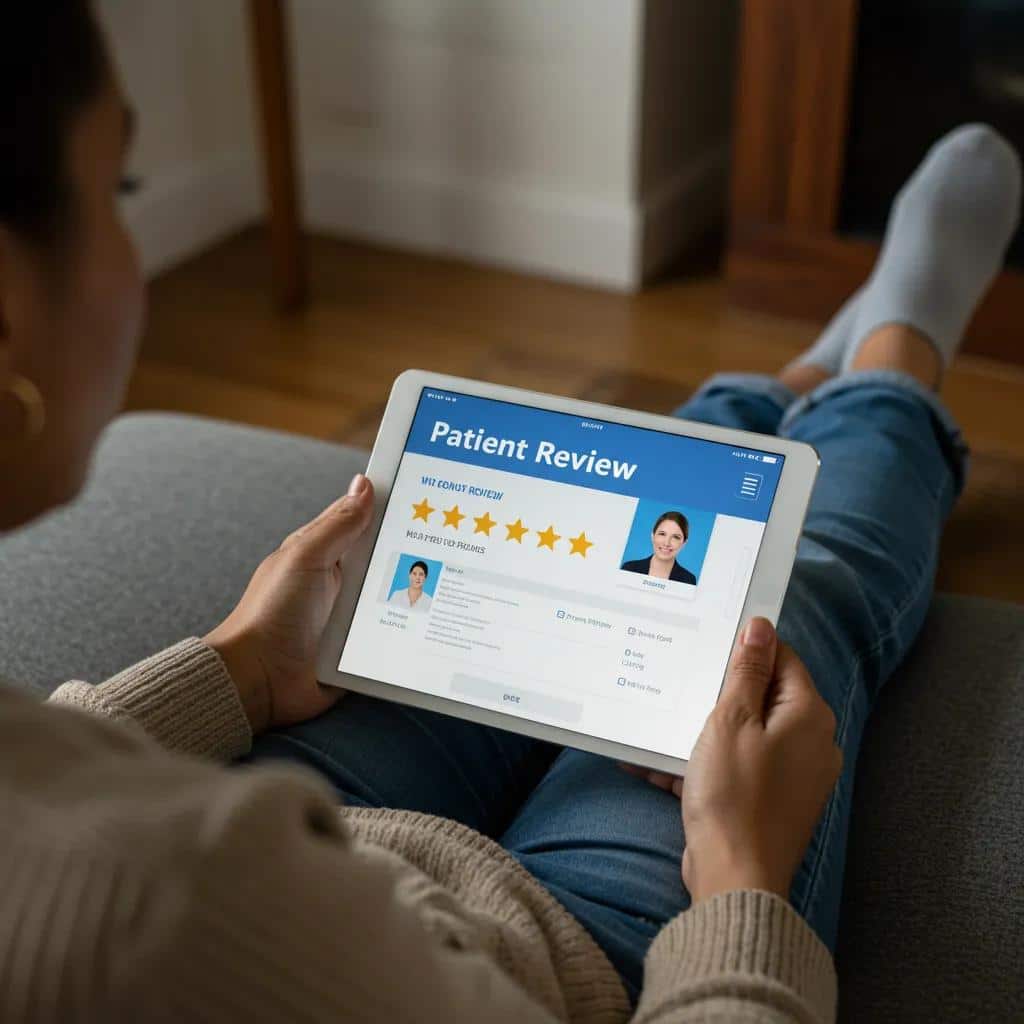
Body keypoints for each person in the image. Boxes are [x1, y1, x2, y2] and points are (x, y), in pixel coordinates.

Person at [1, 4, 1020, 1019]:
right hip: (542, 958)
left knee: (454, 607)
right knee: (784, 595)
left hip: (309, 823)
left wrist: (235, 664)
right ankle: (895, 356)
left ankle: (786, 380)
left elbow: (41, 777)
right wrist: (745, 875)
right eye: (118, 190)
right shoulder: (147, 906)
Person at [620, 511, 697, 584]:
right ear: (652, 536)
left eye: (675, 537)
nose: (667, 543)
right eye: (662, 534)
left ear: (684, 543)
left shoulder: (688, 580)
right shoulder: (630, 569)